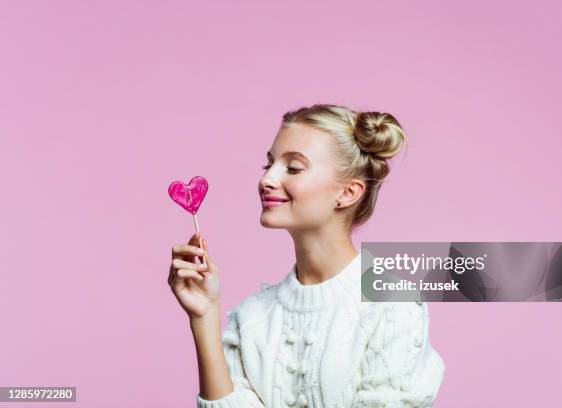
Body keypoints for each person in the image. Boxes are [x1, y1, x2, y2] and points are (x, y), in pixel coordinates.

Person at [168, 104, 446, 407]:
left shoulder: (392, 306)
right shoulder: (251, 319)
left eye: (294, 168)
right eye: (269, 165)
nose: (267, 180)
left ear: (348, 193)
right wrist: (204, 315)